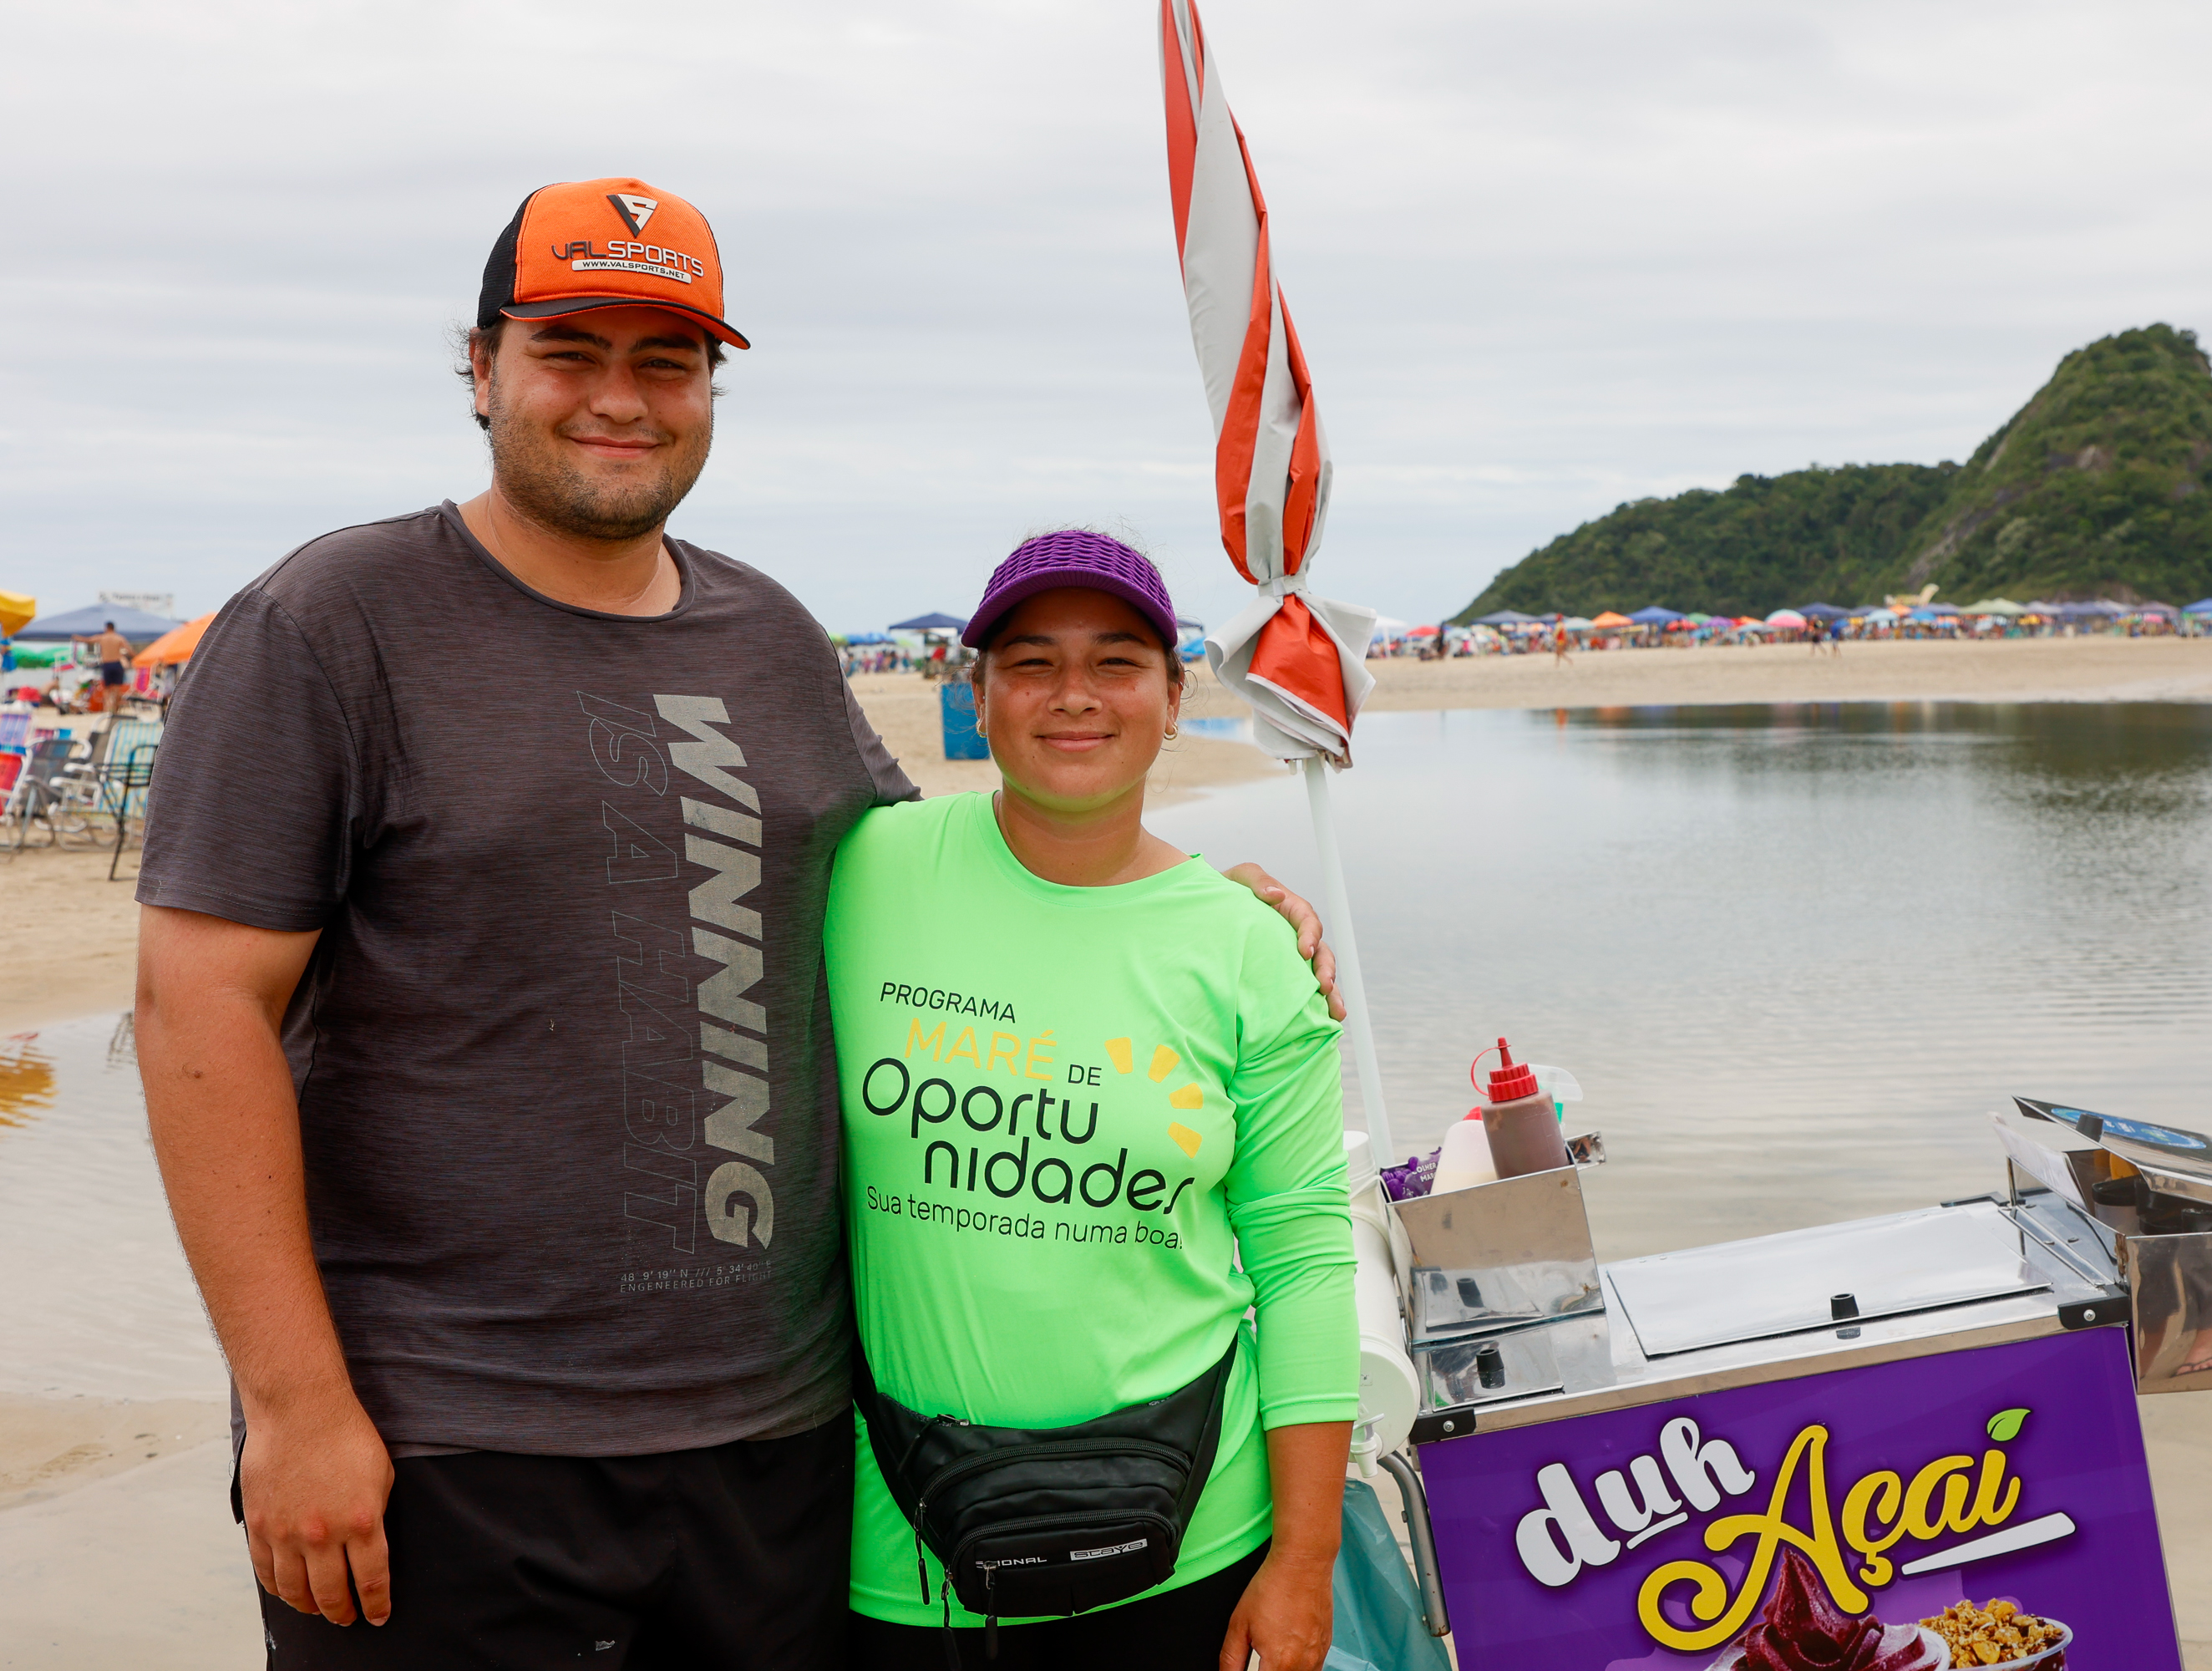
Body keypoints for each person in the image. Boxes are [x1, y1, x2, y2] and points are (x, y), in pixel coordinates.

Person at [133, 177, 1334, 1668]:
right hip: (453, 1437)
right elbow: (197, 1011)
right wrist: (297, 1408)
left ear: (712, 388)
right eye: (572, 351)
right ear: (482, 366)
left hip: (777, 1446)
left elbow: (962, 860)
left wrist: (1200, 890)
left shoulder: (765, 636)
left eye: (669, 362)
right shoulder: (335, 621)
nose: (620, 401)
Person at [829, 531, 1356, 1671]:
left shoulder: (1246, 949)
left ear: (1175, 699)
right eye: (1031, 663)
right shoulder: (861, 870)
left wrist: (1305, 1563)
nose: (1075, 696)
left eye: (1118, 663)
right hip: (904, 1555)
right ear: (976, 696)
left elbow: (1305, 1257)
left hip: (1198, 1542)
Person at [74, 619, 132, 715]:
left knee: (107, 690)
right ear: (114, 628)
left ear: (106, 628)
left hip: (107, 664)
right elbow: (129, 650)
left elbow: (88, 640)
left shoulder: (102, 637)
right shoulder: (119, 638)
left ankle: (107, 709)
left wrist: (77, 638)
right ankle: (116, 710)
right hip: (117, 664)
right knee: (117, 689)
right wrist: (136, 657)